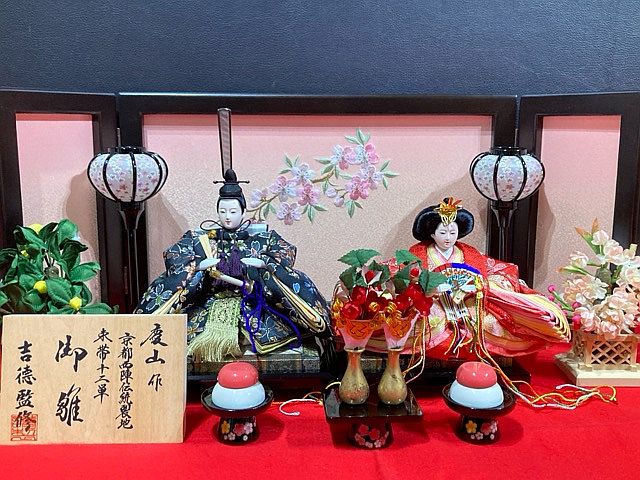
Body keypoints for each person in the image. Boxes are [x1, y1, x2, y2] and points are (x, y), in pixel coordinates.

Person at [135, 169, 332, 365]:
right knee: (186, 334)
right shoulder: (200, 240)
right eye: (222, 212)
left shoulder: (263, 238)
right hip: (210, 302)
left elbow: (283, 255)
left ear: (243, 212)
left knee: (259, 329)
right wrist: (198, 266)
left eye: (233, 211)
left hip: (250, 302)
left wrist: (264, 264)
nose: (227, 217)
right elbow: (177, 258)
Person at [408, 197, 570, 358]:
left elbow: (489, 275)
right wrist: (430, 288)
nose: (448, 238)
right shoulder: (419, 253)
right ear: (432, 234)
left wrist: (474, 286)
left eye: (453, 233)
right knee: (427, 319)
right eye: (443, 233)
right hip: (433, 301)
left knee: (486, 321)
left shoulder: (469, 253)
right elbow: (410, 278)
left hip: (466, 300)